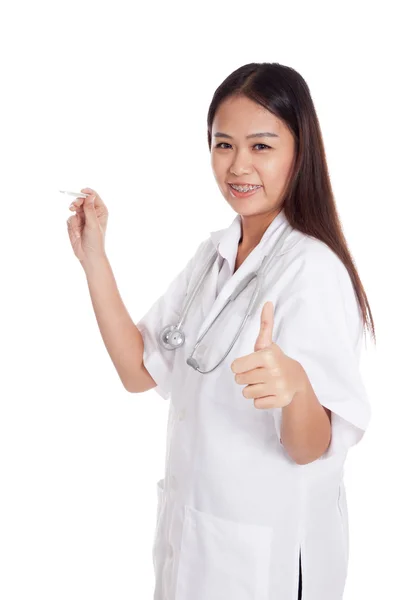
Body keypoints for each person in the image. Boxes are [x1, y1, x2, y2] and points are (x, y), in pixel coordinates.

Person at [66, 62, 374, 600]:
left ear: (300, 151)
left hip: (267, 561)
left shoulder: (314, 269)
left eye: (261, 146)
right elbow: (139, 371)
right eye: (222, 144)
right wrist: (95, 260)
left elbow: (311, 447)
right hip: (196, 544)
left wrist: (297, 385)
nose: (237, 165)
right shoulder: (214, 255)